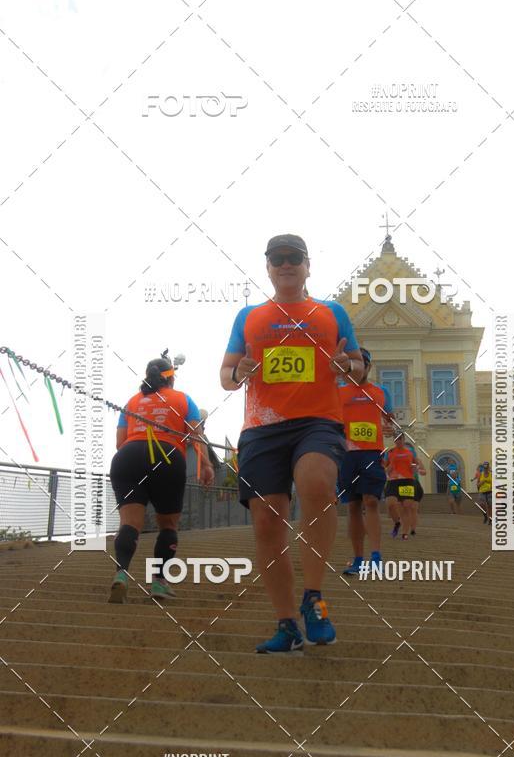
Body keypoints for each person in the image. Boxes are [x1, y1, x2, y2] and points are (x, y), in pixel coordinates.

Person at [220, 233, 363, 653]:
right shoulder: (248, 316)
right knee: (268, 521)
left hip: (317, 421)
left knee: (317, 482)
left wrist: (348, 364)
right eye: (277, 258)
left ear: (307, 265)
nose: (286, 264)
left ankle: (314, 597)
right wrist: (240, 371)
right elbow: (226, 376)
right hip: (262, 428)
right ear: (267, 267)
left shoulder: (332, 312)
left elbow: (358, 367)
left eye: (294, 258)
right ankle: (287, 626)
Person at [108, 354, 213, 603]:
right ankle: (159, 582)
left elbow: (119, 442)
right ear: (171, 378)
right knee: (168, 525)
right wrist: (206, 464)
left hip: (128, 457)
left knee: (130, 523)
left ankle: (121, 575)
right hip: (167, 457)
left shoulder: (132, 402)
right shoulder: (183, 399)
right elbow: (196, 437)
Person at [338, 347, 393, 575]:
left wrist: (388, 427)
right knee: (353, 506)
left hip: (372, 453)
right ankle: (359, 558)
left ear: (368, 367)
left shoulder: (381, 392)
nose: (358, 367)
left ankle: (376, 557)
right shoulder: (338, 392)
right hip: (347, 455)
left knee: (371, 501)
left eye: (363, 363)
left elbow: (389, 419)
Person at [383, 432, 421, 540]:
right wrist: (387, 469)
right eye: (396, 439)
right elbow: (384, 466)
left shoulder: (411, 451)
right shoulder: (390, 452)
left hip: (407, 480)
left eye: (400, 439)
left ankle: (405, 533)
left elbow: (416, 463)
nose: (398, 441)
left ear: (404, 440)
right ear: (394, 440)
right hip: (393, 480)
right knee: (390, 504)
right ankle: (397, 522)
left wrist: (415, 468)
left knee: (406, 507)